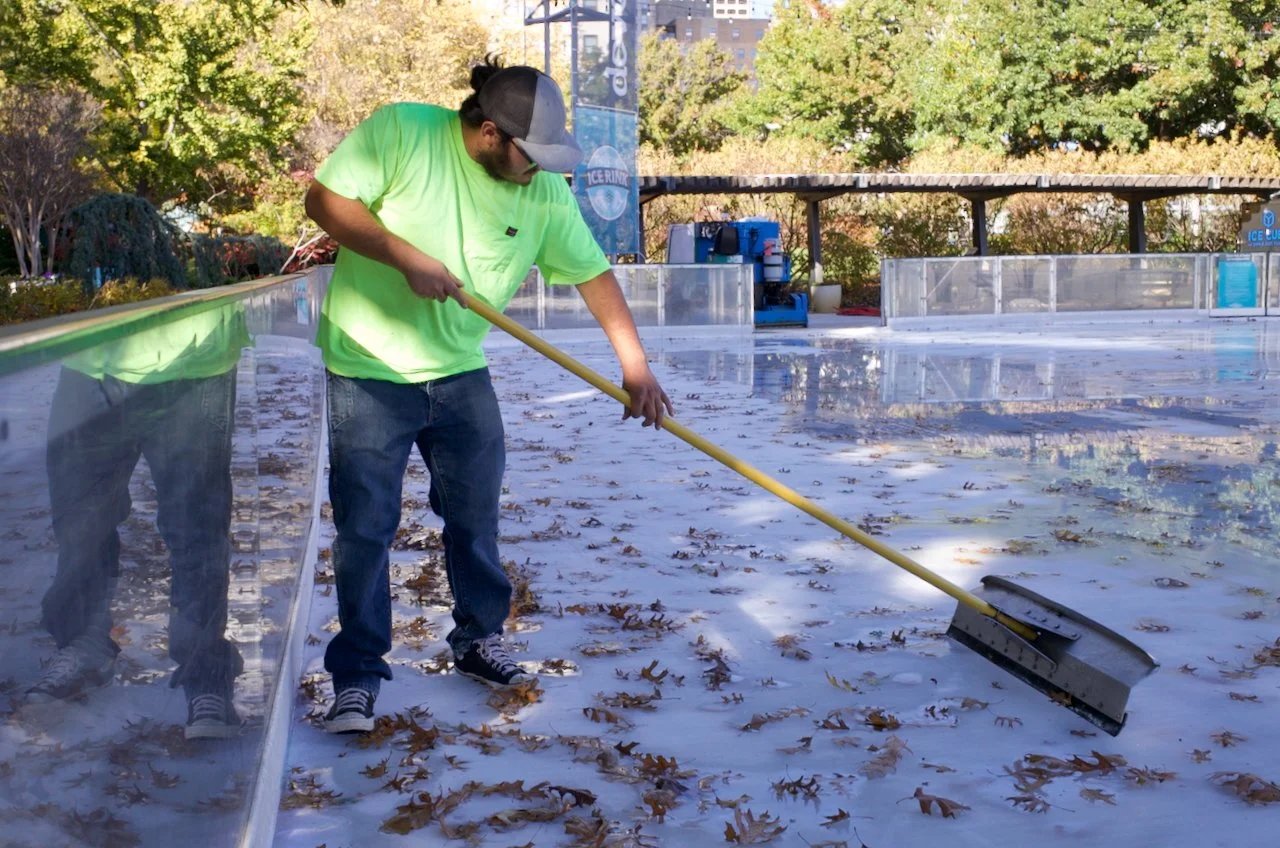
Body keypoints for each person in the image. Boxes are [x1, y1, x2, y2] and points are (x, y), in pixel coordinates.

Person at [304, 57, 673, 734]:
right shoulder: (404, 133)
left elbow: (592, 275)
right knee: (366, 525)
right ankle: (356, 674)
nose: (540, 169)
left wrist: (635, 367)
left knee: (475, 517)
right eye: (530, 154)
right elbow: (324, 203)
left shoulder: (541, 193)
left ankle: (477, 640)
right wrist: (402, 255)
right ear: (487, 133)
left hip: (459, 370)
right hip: (368, 366)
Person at [27, 302, 249, 741]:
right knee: (79, 519)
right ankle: (83, 643)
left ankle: (205, 672)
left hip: (193, 360)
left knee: (196, 527)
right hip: (90, 358)